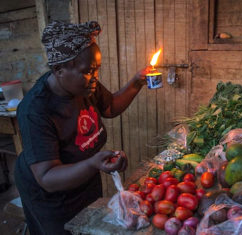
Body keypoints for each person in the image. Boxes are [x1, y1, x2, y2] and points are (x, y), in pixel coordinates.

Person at [14, 21, 151, 235]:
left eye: (96, 69)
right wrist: (92, 164)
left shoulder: (85, 85)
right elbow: (48, 177)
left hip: (83, 179)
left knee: (89, 227)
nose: (95, 76)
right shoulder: (35, 110)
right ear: (59, 70)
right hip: (51, 197)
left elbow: (110, 106)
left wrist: (136, 83)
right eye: (88, 71)